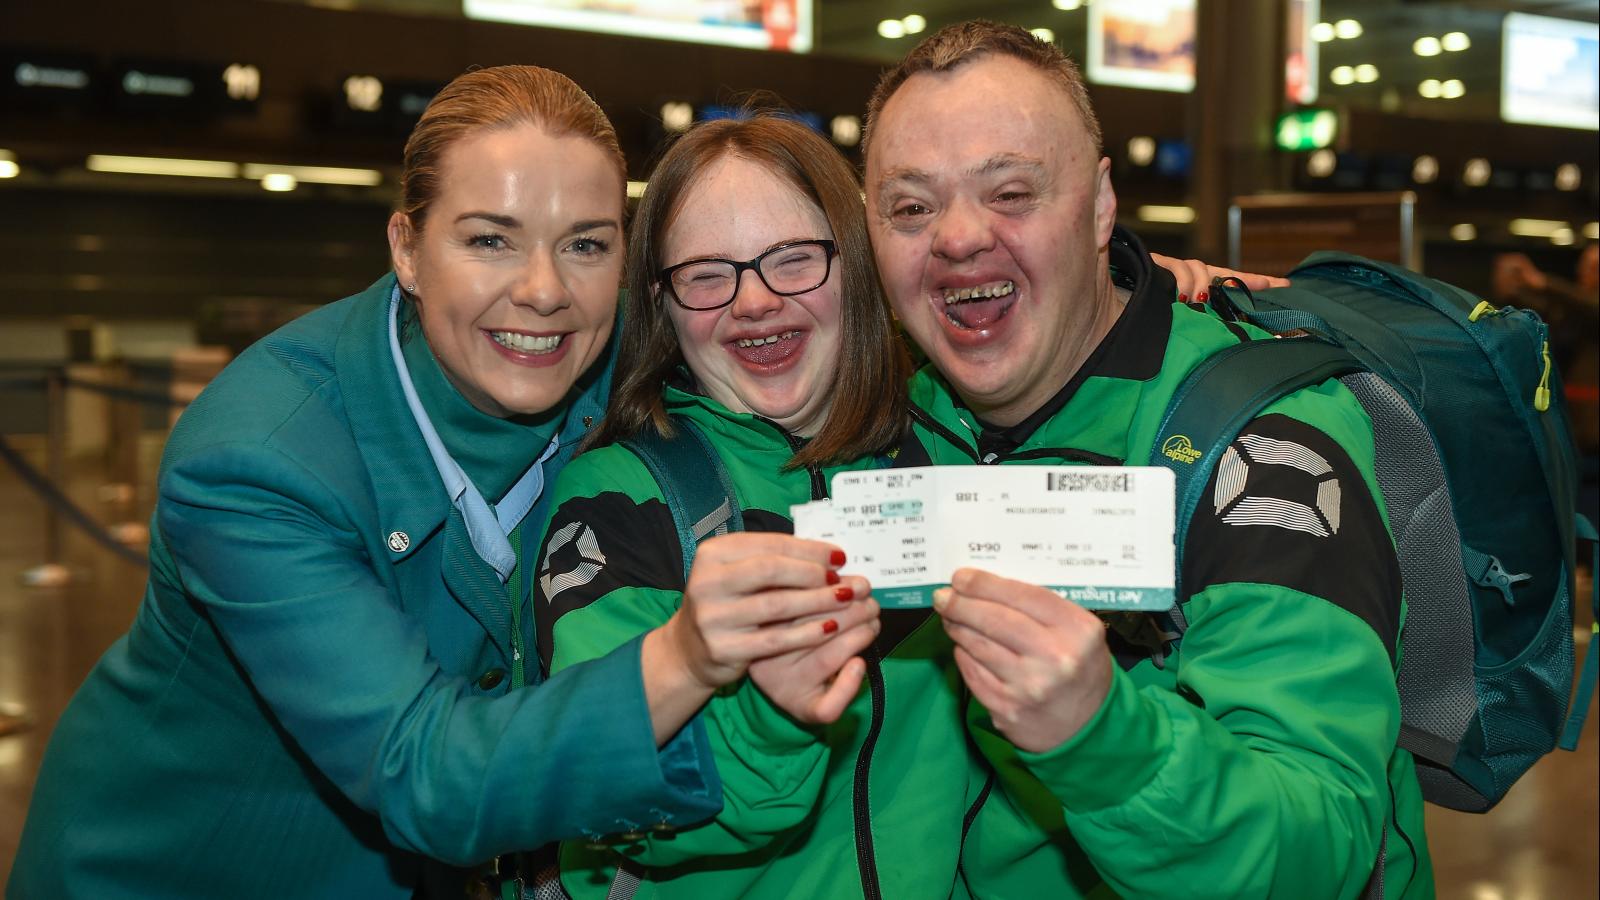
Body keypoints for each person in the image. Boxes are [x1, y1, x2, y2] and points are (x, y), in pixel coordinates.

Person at [8, 66, 860, 900]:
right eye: (490, 238)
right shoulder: (259, 463)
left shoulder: (617, 351)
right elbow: (420, 770)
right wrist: (679, 658)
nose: (544, 291)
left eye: (587, 245)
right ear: (407, 251)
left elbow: (812, 324)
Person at [862, 21, 1434, 898]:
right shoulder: (899, 413)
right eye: (910, 207)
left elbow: (1320, 843)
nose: (958, 236)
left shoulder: (1260, 442)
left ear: (1098, 209)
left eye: (1011, 192)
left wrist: (1100, 737)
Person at [534, 113, 980, 899]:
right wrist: (772, 717)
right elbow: (606, 796)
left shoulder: (953, 445)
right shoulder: (622, 500)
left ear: (861, 265)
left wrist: (1136, 286)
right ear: (660, 303)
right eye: (706, 274)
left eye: (793, 260)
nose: (754, 302)